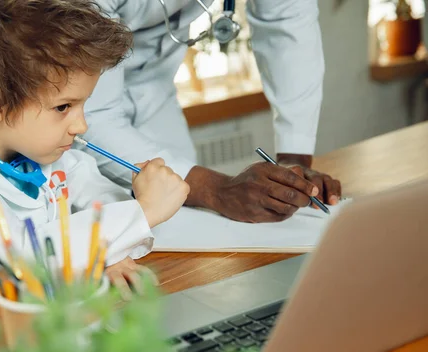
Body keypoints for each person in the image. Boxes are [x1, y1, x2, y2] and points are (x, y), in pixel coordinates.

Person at [0, 0, 189, 298]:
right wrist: (145, 211)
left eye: (82, 105)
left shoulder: (49, 154)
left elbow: (103, 202)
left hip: (35, 313)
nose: (81, 126)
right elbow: (22, 258)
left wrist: (111, 252)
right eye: (63, 107)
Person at [84, 0, 341, 223]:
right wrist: (216, 190)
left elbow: (288, 23)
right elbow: (90, 115)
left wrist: (292, 161)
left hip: (156, 94)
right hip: (75, 102)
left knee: (187, 224)